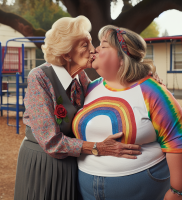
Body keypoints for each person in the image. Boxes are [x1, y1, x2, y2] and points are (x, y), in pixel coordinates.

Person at [14, 17, 142, 200]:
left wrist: (143, 76)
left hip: (71, 162)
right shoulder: (39, 77)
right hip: (43, 161)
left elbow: (104, 88)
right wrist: (99, 148)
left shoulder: (80, 77)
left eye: (91, 42)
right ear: (66, 54)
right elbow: (51, 142)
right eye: (85, 45)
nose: (93, 49)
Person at [72, 25, 182, 200]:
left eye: (103, 45)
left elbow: (175, 140)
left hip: (143, 190)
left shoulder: (152, 91)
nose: (95, 49)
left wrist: (177, 191)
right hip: (86, 189)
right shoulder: (89, 87)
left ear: (122, 58)